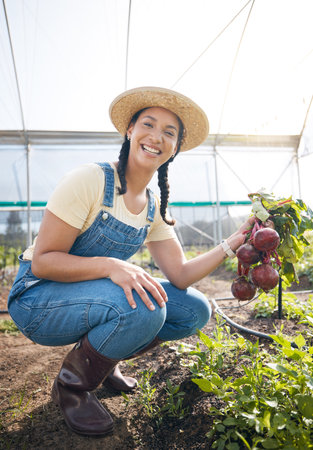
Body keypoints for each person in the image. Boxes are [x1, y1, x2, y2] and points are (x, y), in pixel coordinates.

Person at [7, 86, 251, 436]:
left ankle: (104, 361)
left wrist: (234, 241)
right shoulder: (91, 180)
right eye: (148, 125)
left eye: (169, 132)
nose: (156, 137)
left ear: (176, 147)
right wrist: (111, 265)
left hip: (91, 299)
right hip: (38, 298)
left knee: (194, 309)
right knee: (144, 307)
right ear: (130, 131)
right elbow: (44, 262)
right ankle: (72, 388)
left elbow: (180, 275)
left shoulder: (153, 206)